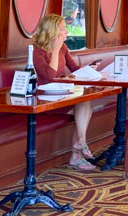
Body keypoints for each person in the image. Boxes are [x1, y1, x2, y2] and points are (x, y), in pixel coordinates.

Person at [32, 13, 99, 171]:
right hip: (46, 100)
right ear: (52, 31)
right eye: (63, 28)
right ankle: (77, 154)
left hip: (63, 95)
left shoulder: (63, 47)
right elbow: (50, 76)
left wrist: (89, 69)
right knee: (83, 109)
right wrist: (55, 50)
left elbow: (74, 69)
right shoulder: (37, 51)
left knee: (84, 102)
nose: (67, 31)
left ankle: (80, 145)